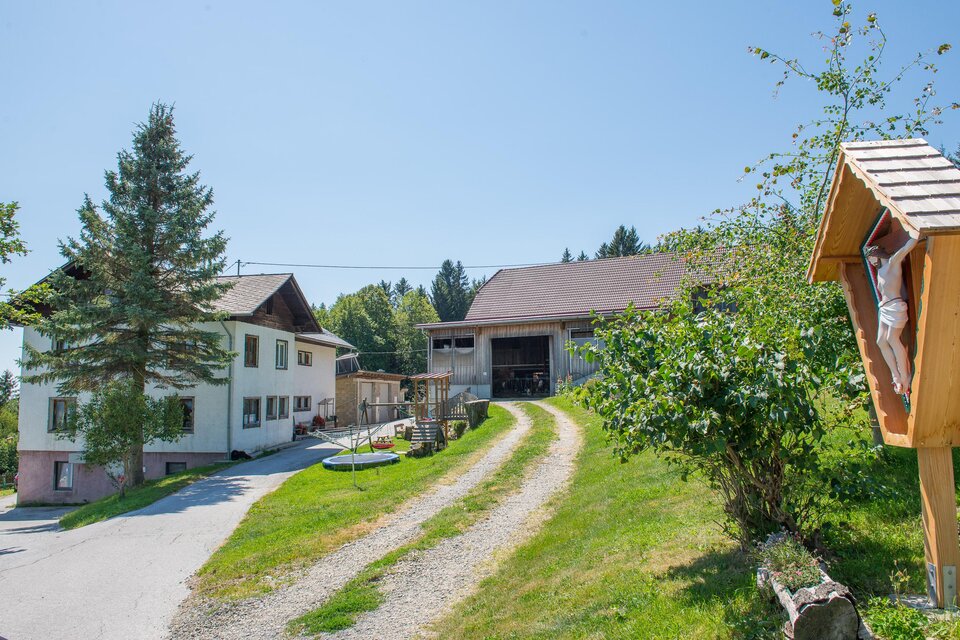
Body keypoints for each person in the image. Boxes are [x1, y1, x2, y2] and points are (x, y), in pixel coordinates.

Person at [865, 225, 921, 396]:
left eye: (872, 258)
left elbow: (908, 246)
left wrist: (918, 231)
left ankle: (905, 376)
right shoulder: (880, 271)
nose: (871, 262)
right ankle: (895, 375)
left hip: (895, 305)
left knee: (892, 338)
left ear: (877, 255)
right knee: (881, 341)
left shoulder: (892, 264)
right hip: (885, 307)